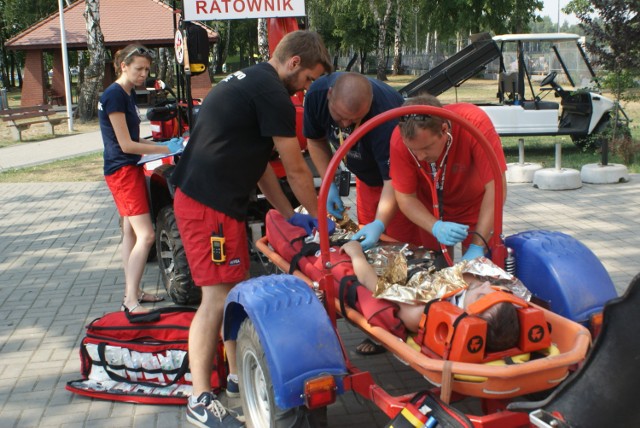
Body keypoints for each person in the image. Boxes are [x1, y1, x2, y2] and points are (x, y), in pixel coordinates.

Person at [169, 31, 333, 428]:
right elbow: (296, 169)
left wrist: (290, 214)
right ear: (294, 63)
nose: (307, 90)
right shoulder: (273, 94)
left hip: (210, 201)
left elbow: (259, 165)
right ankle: (199, 400)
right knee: (216, 297)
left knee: (233, 289)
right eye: (309, 80)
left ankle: (235, 376)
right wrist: (324, 224)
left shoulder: (252, 82)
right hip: (208, 206)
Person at [99, 44, 184, 314]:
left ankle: (132, 292)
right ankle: (130, 302)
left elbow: (131, 140)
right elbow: (126, 144)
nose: (143, 74)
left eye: (147, 69)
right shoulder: (114, 95)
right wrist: (165, 149)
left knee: (129, 232)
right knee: (146, 236)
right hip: (123, 171)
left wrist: (160, 143)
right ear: (123, 65)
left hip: (126, 168)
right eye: (138, 69)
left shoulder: (126, 93)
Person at [304, 72, 418, 249]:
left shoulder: (386, 117)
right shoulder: (315, 96)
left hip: (399, 185)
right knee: (366, 238)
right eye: (340, 116)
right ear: (329, 95)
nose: (345, 124)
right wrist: (329, 184)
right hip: (366, 179)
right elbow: (315, 139)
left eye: (354, 119)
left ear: (369, 105)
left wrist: (380, 223)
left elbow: (393, 179)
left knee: (400, 247)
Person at [341, 241, 520, 353]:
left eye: (481, 296)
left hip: (389, 264)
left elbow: (371, 282)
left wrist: (355, 252)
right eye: (495, 292)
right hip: (419, 256)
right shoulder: (472, 285)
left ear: (467, 318)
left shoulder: (418, 313)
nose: (487, 284)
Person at [389, 94, 507, 262]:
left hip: (474, 205)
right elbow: (406, 197)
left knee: (477, 270)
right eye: (413, 150)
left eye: (426, 148)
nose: (420, 157)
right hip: (429, 208)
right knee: (437, 268)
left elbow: (496, 187)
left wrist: (477, 245)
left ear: (444, 130)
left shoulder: (474, 124)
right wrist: (434, 226)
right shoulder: (399, 140)